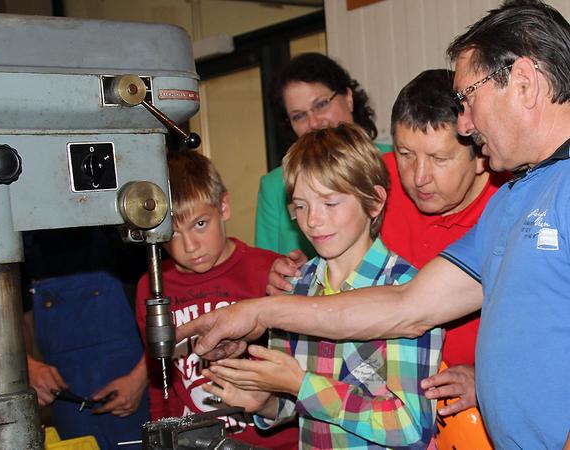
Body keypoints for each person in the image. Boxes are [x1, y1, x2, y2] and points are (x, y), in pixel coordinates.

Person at [176, 1, 570, 448]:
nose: (464, 122)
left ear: (524, 81)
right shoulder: (513, 201)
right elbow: (405, 306)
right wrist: (254, 312)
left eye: (467, 98)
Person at [271, 69, 508, 447]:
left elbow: (550, 330)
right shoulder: (378, 182)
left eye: (439, 158)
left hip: (471, 420)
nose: (418, 177)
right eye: (404, 153)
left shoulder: (509, 210)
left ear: (480, 153)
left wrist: (491, 380)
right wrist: (294, 275)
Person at [203, 124, 443, 449]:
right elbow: (292, 405)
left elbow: (410, 427)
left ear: (374, 202)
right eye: (300, 206)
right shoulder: (295, 288)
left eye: (329, 203)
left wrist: (303, 386)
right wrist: (263, 401)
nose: (312, 220)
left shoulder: (408, 289)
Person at [134, 151, 298, 449]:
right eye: (172, 232)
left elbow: (299, 371)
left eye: (200, 224)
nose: (190, 246)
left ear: (223, 206)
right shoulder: (151, 289)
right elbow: (160, 383)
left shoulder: (270, 272)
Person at [23, 227, 150, 450]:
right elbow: (14, 316)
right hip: (68, 403)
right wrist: (26, 365)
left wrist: (142, 376)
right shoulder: (21, 233)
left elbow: (168, 308)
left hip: (137, 394)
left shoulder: (120, 221)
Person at [255, 52, 390, 258]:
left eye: (321, 104)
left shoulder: (394, 163)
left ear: (349, 97)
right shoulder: (275, 185)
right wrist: (276, 272)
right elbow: (264, 263)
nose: (314, 122)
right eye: (299, 116)